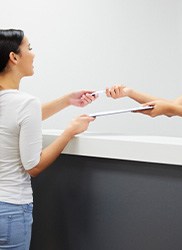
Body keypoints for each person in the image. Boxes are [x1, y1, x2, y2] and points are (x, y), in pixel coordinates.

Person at [0, 29, 96, 249]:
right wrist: (69, 132)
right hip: (11, 210)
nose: (34, 54)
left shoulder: (17, 104)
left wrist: (66, 100)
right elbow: (33, 166)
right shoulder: (25, 103)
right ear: (14, 57)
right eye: (29, 48)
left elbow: (18, 121)